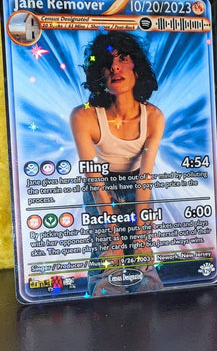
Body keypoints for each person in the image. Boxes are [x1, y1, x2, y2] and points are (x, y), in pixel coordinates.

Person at [70, 31, 165, 296]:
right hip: (100, 188)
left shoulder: (153, 117)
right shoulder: (83, 116)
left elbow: (145, 178)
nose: (115, 67)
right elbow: (94, 180)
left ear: (137, 67)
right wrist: (113, 236)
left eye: (123, 58)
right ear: (99, 73)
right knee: (108, 256)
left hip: (137, 185)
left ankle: (149, 308)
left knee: (142, 257)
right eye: (107, 62)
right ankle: (104, 311)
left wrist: (141, 235)